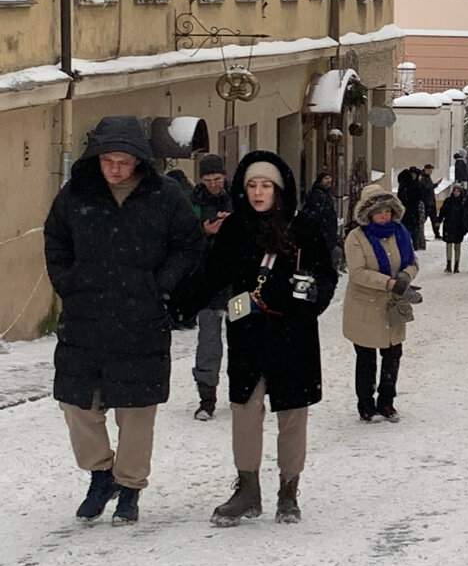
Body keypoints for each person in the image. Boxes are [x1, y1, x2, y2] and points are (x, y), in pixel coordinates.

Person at [44, 116, 205, 525]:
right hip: (85, 319)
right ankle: (101, 474)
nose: (115, 169)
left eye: (123, 162)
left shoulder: (164, 196)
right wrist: (69, 283)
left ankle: (130, 486)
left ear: (138, 162)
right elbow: (56, 241)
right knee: (76, 404)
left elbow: (188, 245)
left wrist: (160, 287)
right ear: (96, 159)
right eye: (108, 161)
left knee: (137, 411)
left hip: (141, 320)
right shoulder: (75, 195)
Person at [171, 151, 336, 526]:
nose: (259, 193)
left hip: (293, 335)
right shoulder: (235, 228)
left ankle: (288, 491)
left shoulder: (303, 228)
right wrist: (176, 307)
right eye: (252, 186)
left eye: (266, 186)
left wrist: (314, 292)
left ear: (279, 190)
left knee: (292, 414)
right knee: (244, 410)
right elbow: (211, 275)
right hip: (248, 333)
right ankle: (247, 489)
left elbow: (326, 274)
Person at [342, 185, 420, 423]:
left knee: (393, 354)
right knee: (366, 357)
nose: (385, 216)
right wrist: (389, 283)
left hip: (393, 306)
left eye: (388, 210)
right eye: (379, 212)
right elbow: (358, 272)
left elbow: (412, 261)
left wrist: (406, 276)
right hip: (365, 306)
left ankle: (387, 401)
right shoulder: (356, 238)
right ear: (368, 214)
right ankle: (366, 404)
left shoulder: (400, 233)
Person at [190, 154, 234, 420]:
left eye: (217, 179)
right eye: (208, 180)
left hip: (237, 285)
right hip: (207, 286)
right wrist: (204, 233)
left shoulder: (239, 198)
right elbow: (183, 238)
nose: (213, 184)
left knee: (242, 340)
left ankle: (243, 394)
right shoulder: (193, 203)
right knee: (208, 342)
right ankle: (206, 398)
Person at [303, 170, 342, 271]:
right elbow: (314, 215)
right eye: (326, 178)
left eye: (330, 178)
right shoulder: (317, 195)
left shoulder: (326, 194)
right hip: (321, 234)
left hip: (328, 234)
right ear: (320, 180)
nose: (329, 181)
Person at [437, 182, 468, 272]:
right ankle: (449, 264)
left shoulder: (463, 202)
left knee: (457, 246)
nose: (456, 193)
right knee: (449, 245)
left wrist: (465, 227)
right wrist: (439, 220)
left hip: (459, 226)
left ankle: (456, 265)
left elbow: (465, 215)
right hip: (449, 225)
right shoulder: (448, 201)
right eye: (455, 191)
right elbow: (443, 212)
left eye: (458, 191)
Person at [419, 164, 441, 240]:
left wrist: (436, 184)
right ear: (426, 169)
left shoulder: (427, 178)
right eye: (430, 170)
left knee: (434, 219)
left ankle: (437, 234)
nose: (430, 172)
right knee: (423, 220)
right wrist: (435, 185)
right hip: (426, 203)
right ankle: (421, 235)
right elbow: (426, 188)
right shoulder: (422, 178)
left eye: (431, 171)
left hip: (431, 202)